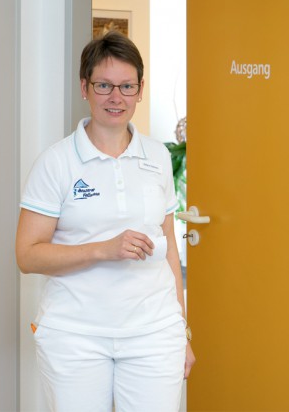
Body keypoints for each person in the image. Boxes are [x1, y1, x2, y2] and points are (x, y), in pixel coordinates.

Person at [16, 31, 195, 412]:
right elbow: (27, 256)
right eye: (104, 85)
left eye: (127, 86)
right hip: (75, 335)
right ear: (85, 87)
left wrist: (181, 330)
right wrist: (103, 249)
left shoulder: (158, 157)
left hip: (154, 332)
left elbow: (168, 248)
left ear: (140, 90)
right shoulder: (56, 162)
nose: (116, 97)